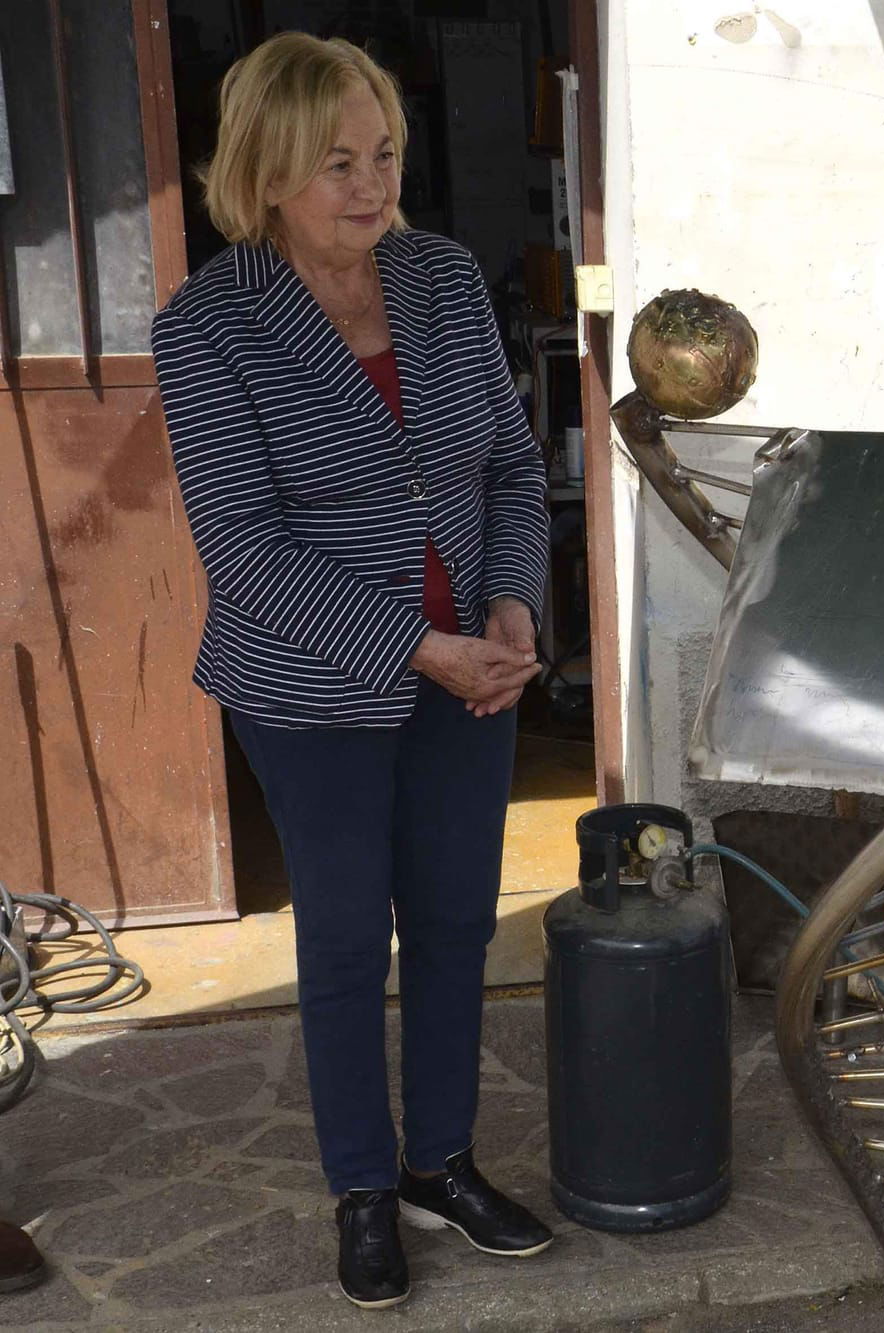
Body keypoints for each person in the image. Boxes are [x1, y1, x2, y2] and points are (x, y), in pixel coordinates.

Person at [152, 34, 554, 1310]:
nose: (372, 185)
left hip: (470, 672)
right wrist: (423, 649)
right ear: (268, 171)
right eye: (337, 163)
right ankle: (362, 1187)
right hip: (314, 690)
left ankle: (440, 1160)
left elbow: (502, 465)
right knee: (340, 939)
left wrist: (510, 606)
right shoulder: (207, 327)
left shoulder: (439, 279)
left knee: (452, 921)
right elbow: (245, 549)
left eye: (382, 155)